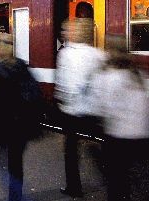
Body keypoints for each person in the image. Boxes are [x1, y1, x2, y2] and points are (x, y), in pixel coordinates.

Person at [0, 32, 43, 201]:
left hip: (3, 128)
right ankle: (17, 197)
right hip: (21, 129)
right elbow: (35, 95)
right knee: (16, 164)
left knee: (1, 164)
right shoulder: (21, 66)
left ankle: (17, 197)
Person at [94, 36, 149, 201]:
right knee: (133, 179)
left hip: (119, 136)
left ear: (109, 52)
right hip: (142, 135)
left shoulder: (110, 76)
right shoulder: (137, 72)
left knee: (116, 182)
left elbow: (105, 107)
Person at [54, 19, 106, 198]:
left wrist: (61, 102)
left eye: (67, 30)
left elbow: (65, 85)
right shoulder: (98, 54)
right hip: (94, 111)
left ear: (75, 33)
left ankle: (74, 187)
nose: (64, 33)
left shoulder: (66, 54)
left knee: (71, 152)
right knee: (98, 144)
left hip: (73, 111)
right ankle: (108, 179)